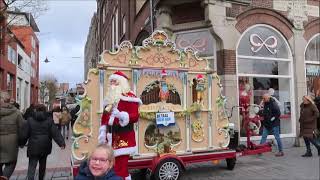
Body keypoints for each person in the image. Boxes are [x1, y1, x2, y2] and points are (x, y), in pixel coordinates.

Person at [98, 71, 142, 180]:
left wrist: (121, 115)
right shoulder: (109, 98)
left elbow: (135, 116)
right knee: (110, 166)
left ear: (121, 82)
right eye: (111, 81)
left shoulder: (130, 97)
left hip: (124, 137)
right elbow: (105, 117)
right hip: (110, 137)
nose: (112, 83)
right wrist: (103, 132)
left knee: (120, 168)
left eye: (114, 81)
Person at [24, 104, 65, 180]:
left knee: (32, 166)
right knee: (42, 165)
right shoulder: (49, 120)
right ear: (45, 110)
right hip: (45, 146)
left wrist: (21, 143)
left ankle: (30, 178)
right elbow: (55, 132)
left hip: (33, 146)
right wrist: (61, 143)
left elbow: (25, 133)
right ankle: (41, 178)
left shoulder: (30, 120)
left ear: (35, 110)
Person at [0, 91, 24, 179]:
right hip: (11, 142)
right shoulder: (17, 113)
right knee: (11, 162)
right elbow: (22, 129)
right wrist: (22, 142)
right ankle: (5, 176)